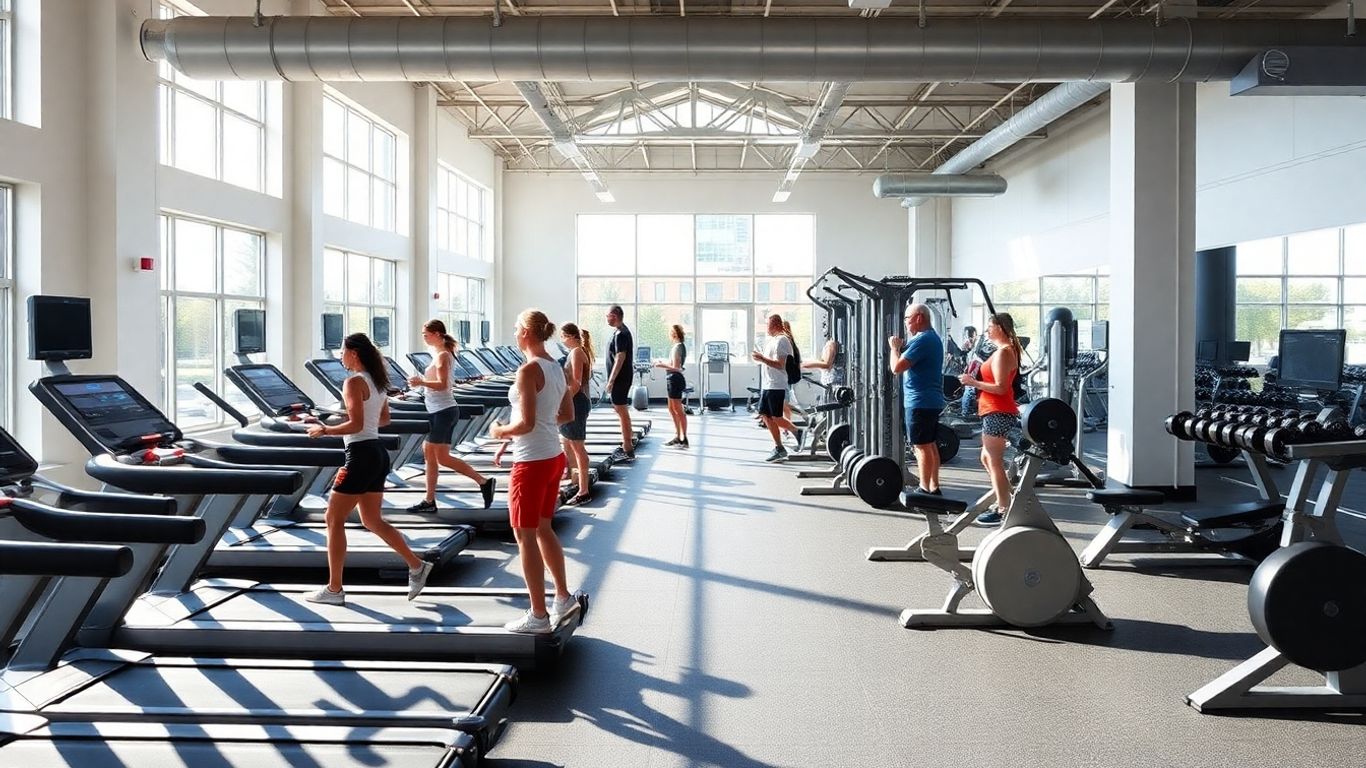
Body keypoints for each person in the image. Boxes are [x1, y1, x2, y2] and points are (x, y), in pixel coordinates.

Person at [305, 332, 433, 605]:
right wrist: (345, 415)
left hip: (360, 456)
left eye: (342, 351)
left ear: (354, 353)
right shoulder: (377, 381)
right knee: (372, 521)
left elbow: (355, 425)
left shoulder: (352, 382)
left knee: (333, 519)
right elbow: (382, 419)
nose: (340, 356)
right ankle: (417, 565)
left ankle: (334, 589)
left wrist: (324, 429)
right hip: (377, 454)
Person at [489, 309, 577, 634]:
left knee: (524, 536)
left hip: (531, 464)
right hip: (552, 456)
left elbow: (524, 423)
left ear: (526, 331)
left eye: (515, 327)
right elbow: (566, 413)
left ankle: (539, 616)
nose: (514, 333)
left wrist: (501, 433)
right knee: (543, 529)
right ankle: (563, 598)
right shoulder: (556, 367)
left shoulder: (528, 370)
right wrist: (530, 431)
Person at [406, 319, 497, 512]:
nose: (424, 338)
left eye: (426, 334)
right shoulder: (438, 355)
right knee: (433, 455)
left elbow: (444, 385)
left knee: (437, 456)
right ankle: (430, 500)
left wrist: (420, 383)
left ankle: (482, 481)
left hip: (443, 411)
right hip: (438, 411)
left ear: (438, 334)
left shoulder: (443, 356)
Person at [959, 313, 1023, 526]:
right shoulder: (1002, 351)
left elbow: (1001, 387)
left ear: (1000, 328)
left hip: (999, 410)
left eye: (990, 327)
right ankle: (1010, 500)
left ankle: (1004, 509)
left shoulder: (1004, 353)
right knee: (988, 459)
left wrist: (973, 383)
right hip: (993, 410)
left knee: (993, 460)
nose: (987, 331)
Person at [889, 303, 945, 495]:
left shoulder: (924, 340)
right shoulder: (927, 338)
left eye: (907, 318)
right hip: (928, 400)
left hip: (920, 401)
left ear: (919, 318)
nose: (906, 323)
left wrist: (894, 348)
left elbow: (896, 367)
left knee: (921, 446)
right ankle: (934, 487)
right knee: (929, 444)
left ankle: (924, 488)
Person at [751, 313, 803, 462]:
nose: (765, 328)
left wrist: (762, 358)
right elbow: (769, 362)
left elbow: (780, 365)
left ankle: (797, 432)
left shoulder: (782, 341)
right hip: (768, 385)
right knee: (765, 416)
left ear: (774, 324)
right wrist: (760, 358)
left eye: (767, 324)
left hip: (777, 385)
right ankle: (779, 448)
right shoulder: (772, 341)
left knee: (776, 417)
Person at [558, 322, 594, 505]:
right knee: (568, 442)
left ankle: (584, 491)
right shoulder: (576, 352)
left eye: (563, 336)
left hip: (577, 402)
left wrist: (562, 402)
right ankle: (575, 479)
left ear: (571, 336)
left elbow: (577, 383)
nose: (562, 340)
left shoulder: (577, 352)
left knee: (578, 447)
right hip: (575, 401)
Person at [604, 305, 635, 463]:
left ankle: (628, 448)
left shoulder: (621, 334)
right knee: (620, 410)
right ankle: (627, 443)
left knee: (622, 411)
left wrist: (611, 380)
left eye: (608, 315)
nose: (606, 318)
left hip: (621, 379)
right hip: (622, 378)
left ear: (614, 315)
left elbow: (620, 357)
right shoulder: (620, 331)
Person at [653, 324, 689, 448]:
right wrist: (662, 363)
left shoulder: (677, 347)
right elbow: (674, 364)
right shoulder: (678, 347)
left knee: (678, 410)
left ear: (674, 334)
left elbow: (676, 368)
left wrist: (661, 365)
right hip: (672, 378)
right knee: (672, 409)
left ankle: (684, 438)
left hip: (675, 379)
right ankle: (678, 436)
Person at [802, 335, 844, 403]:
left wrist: (803, 365)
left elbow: (826, 365)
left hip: (838, 387)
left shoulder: (830, 345)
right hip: (832, 391)